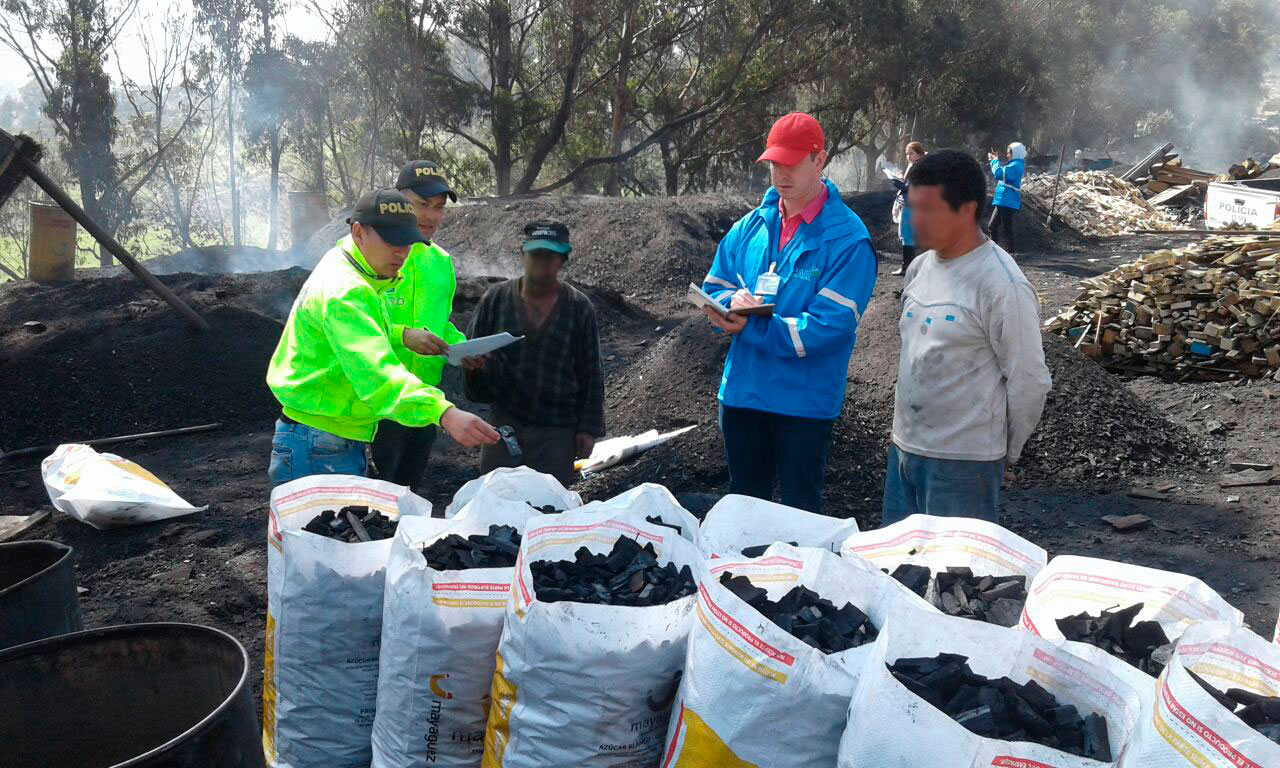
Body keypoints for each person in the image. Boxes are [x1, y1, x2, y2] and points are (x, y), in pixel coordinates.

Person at [699, 112, 877, 514]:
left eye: (792, 163)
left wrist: (750, 327)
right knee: (744, 505)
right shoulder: (750, 226)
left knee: (799, 511)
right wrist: (727, 306)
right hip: (743, 394)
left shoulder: (848, 240)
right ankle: (741, 576)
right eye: (775, 163)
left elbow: (828, 326)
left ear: (820, 160)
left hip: (803, 404)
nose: (781, 173)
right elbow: (717, 284)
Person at [265, 188, 499, 488]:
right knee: (321, 534)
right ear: (359, 232)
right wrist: (444, 413)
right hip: (319, 444)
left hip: (330, 435)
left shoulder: (348, 264)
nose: (402, 253)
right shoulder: (347, 291)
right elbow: (377, 375)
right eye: (391, 242)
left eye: (408, 242)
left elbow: (364, 333)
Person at [882, 150, 1051, 525]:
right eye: (911, 208)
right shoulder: (919, 269)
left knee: (952, 579)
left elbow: (1029, 381)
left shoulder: (1001, 285)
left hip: (963, 466)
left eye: (927, 210)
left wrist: (1004, 454)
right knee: (893, 571)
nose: (914, 220)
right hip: (904, 454)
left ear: (967, 209)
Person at [463, 219, 605, 486]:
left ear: (563, 259)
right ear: (523, 254)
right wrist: (473, 369)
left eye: (550, 255)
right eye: (535, 253)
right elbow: (474, 373)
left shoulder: (578, 307)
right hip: (504, 427)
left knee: (549, 510)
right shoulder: (495, 300)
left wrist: (588, 429)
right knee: (496, 505)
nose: (541, 261)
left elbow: (591, 372)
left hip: (556, 431)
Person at [370, 160, 469, 489]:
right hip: (376, 403)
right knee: (368, 500)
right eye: (422, 204)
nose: (430, 216)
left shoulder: (440, 262)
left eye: (438, 208)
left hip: (423, 402)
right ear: (398, 200)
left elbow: (440, 323)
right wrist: (402, 336)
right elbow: (349, 325)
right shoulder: (374, 253)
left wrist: (462, 347)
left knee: (405, 494)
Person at [891, 141, 927, 276]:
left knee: (907, 236)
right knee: (907, 236)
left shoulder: (920, 167)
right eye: (907, 153)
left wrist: (900, 184)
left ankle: (907, 267)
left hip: (912, 204)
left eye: (911, 153)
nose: (908, 156)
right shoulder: (914, 165)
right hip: (908, 202)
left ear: (919, 153)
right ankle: (908, 267)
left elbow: (915, 186)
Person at [987, 141, 1026, 254]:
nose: (1007, 154)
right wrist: (995, 159)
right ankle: (994, 253)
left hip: (1007, 201)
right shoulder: (1014, 165)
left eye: (1009, 152)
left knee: (1006, 229)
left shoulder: (1015, 166)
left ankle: (1012, 253)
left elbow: (999, 174)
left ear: (1015, 153)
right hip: (1003, 200)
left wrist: (994, 160)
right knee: (992, 226)